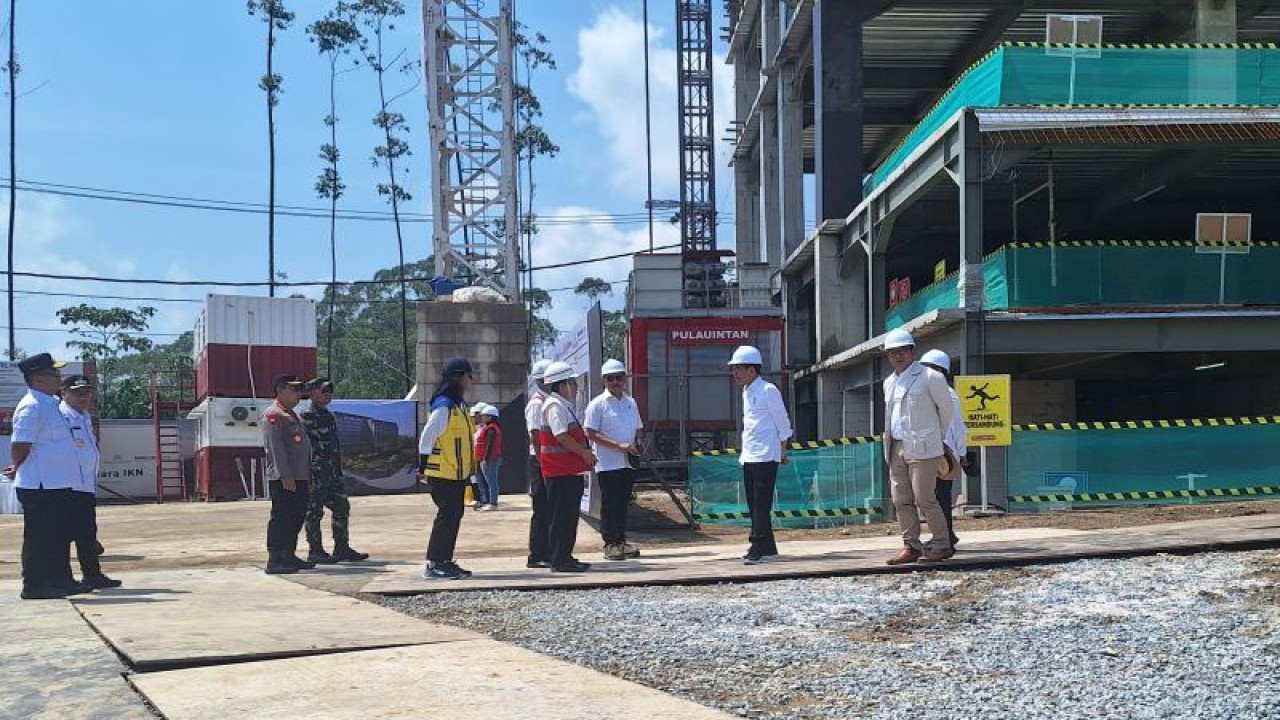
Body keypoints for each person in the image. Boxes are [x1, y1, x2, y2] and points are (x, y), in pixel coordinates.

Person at [8, 354, 85, 599]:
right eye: (54, 375)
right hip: (39, 484)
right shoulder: (31, 406)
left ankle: (59, 580)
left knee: (58, 535)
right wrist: (18, 466)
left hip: (58, 483)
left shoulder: (50, 404)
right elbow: (20, 444)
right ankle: (34, 585)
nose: (59, 379)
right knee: (39, 537)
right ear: (39, 379)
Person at [881, 330, 956, 565]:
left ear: (913, 351)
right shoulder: (889, 382)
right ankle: (911, 545)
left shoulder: (931, 376)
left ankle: (942, 543)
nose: (898, 356)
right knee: (900, 499)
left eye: (903, 350)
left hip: (924, 446)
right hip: (896, 446)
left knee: (925, 498)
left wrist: (935, 436)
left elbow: (947, 412)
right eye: (893, 352)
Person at [728, 346, 794, 566]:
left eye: (738, 368)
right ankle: (768, 547)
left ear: (752, 369)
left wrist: (782, 450)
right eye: (734, 368)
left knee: (760, 504)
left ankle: (756, 545)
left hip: (766, 454)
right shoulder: (747, 391)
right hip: (750, 454)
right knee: (753, 502)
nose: (735, 373)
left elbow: (782, 422)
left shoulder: (768, 390)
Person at [416, 358, 478, 580]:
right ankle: (434, 564)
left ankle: (445, 560)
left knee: (454, 515)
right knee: (447, 516)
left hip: (456, 473)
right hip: (443, 472)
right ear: (459, 377)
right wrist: (422, 466)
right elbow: (428, 436)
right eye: (469, 376)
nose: (471, 380)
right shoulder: (444, 405)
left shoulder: (459, 406)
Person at [58, 375, 121, 589]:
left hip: (85, 486)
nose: (84, 396)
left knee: (87, 533)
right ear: (64, 392)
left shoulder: (84, 417)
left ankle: (92, 575)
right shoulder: (60, 416)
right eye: (78, 392)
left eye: (87, 392)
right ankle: (64, 578)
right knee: (64, 535)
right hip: (66, 486)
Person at [301, 378, 368, 564]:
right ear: (312, 393)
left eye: (330, 390)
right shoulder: (307, 416)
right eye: (324, 391)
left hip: (332, 472)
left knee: (341, 507)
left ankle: (342, 548)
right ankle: (315, 551)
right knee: (314, 511)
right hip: (317, 472)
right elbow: (306, 448)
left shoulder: (328, 415)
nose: (328, 394)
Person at [537, 361, 596, 573]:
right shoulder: (555, 406)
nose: (575, 387)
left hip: (567, 471)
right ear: (561, 385)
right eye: (572, 382)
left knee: (568, 516)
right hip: (560, 472)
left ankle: (565, 556)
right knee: (562, 517)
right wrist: (584, 453)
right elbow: (561, 436)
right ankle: (559, 559)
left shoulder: (562, 406)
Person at [584, 359, 643, 561]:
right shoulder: (597, 404)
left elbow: (638, 427)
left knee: (623, 502)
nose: (615, 382)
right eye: (611, 379)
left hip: (627, 461)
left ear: (624, 379)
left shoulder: (630, 402)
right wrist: (618, 446)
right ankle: (611, 543)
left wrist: (638, 442)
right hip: (608, 462)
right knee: (610, 503)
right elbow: (591, 433)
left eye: (619, 378)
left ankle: (621, 540)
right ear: (604, 381)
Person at [262, 374, 316, 575]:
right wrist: (284, 474)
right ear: (280, 390)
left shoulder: (293, 415)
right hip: (285, 478)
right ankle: (275, 559)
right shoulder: (274, 415)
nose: (298, 394)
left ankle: (288, 554)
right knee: (282, 517)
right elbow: (275, 448)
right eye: (293, 390)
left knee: (296, 516)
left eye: (299, 390)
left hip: (300, 476)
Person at [920, 350, 966, 550]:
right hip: (930, 450)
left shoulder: (948, 394)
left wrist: (962, 453)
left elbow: (958, 426)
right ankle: (947, 534)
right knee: (935, 496)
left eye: (928, 368)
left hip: (944, 453)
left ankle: (945, 537)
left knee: (940, 497)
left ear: (939, 371)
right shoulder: (927, 391)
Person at [524, 359, 554, 568]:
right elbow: (535, 435)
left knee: (549, 509)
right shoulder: (536, 403)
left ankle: (548, 551)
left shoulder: (548, 401)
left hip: (545, 460)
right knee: (542, 509)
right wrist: (545, 464)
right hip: (540, 460)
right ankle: (537, 555)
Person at [474, 403, 503, 511]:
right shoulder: (490, 428)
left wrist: (485, 458)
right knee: (490, 480)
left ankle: (493, 503)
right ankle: (490, 502)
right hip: (489, 458)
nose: (482, 417)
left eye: (484, 415)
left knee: (491, 481)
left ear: (490, 416)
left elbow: (490, 445)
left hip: (490, 458)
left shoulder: (491, 429)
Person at [468, 404, 488, 509]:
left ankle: (483, 499)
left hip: (480, 457)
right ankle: (478, 498)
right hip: (473, 456)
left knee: (481, 479)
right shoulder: (474, 426)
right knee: (474, 478)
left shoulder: (485, 428)